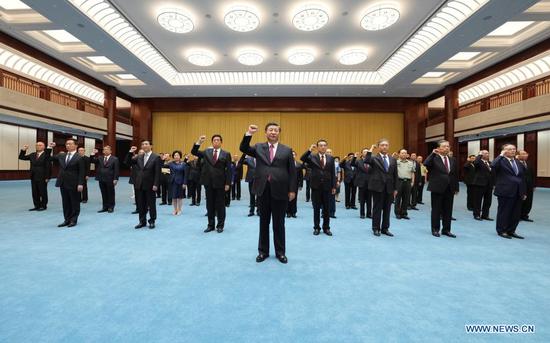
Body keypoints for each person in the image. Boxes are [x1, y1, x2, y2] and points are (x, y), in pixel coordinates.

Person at [240, 123, 297, 264]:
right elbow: (243, 148)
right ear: (266, 132)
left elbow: (292, 172)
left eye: (276, 130)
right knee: (263, 223)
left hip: (281, 190)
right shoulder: (259, 147)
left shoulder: (287, 150)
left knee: (279, 223)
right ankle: (263, 252)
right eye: (270, 130)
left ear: (279, 133)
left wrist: (292, 190)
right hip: (263, 189)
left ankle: (280, 252)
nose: (273, 132)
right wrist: (248, 134)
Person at [192, 134, 231, 233]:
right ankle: (210, 225)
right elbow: (194, 152)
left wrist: (228, 183)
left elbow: (229, 170)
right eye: (214, 140)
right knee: (209, 204)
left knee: (220, 205)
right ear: (212, 142)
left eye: (218, 140)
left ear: (221, 142)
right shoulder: (206, 152)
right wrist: (199, 142)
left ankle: (220, 225)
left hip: (221, 183)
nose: (216, 141)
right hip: (208, 182)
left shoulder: (226, 154)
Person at [424, 140, 459, 238]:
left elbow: (455, 175)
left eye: (448, 146)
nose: (446, 148)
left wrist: (456, 187)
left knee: (448, 210)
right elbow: (426, 164)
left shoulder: (452, 159)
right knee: (436, 209)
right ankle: (435, 229)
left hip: (450, 188)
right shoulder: (434, 158)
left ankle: (446, 230)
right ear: (438, 148)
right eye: (444, 146)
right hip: (437, 187)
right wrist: (432, 154)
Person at [301, 140, 336, 235]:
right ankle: (316, 227)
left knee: (326, 209)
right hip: (316, 186)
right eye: (320, 145)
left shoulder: (331, 158)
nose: (323, 147)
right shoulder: (312, 157)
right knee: (316, 208)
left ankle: (326, 228)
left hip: (327, 187)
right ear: (317, 147)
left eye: (325, 145)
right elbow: (302, 158)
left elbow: (333, 173)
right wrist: (309, 150)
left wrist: (333, 186)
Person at [364, 139, 398, 237]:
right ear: (379, 147)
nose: (384, 147)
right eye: (382, 145)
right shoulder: (374, 158)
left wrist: (396, 188)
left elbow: (395, 174)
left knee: (387, 209)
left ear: (388, 147)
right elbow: (366, 160)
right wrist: (371, 149)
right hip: (377, 187)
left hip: (389, 188)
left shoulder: (393, 159)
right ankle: (376, 228)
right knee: (377, 209)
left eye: (386, 145)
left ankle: (385, 228)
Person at [492, 144, 526, 239]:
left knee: (516, 213)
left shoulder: (518, 162)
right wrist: (501, 155)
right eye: (509, 149)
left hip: (518, 191)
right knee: (504, 212)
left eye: (514, 149)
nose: (512, 151)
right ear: (504, 151)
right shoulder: (501, 161)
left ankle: (511, 230)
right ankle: (501, 230)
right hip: (505, 190)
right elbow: (493, 166)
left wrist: (523, 192)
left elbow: (522, 178)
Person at [49, 140, 85, 228]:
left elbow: (82, 172)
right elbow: (48, 158)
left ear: (76, 146)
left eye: (70, 144)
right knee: (65, 202)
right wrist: (49, 148)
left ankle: (73, 220)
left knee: (74, 202)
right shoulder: (62, 155)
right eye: (66, 144)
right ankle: (66, 219)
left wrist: (80, 183)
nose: (68, 145)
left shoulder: (79, 157)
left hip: (74, 183)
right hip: (63, 182)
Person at [126, 141, 161, 229]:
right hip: (139, 184)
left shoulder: (156, 157)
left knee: (151, 204)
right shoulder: (139, 157)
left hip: (151, 185)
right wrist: (130, 152)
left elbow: (157, 172)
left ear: (151, 146)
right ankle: (142, 221)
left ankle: (152, 220)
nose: (144, 146)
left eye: (146, 144)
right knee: (141, 204)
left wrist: (156, 184)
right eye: (142, 144)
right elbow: (127, 162)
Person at [18, 141, 51, 211]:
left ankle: (43, 206)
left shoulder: (46, 155)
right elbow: (21, 157)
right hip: (33, 176)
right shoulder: (32, 154)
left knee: (43, 192)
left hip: (43, 176)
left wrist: (47, 177)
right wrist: (23, 150)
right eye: (37, 145)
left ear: (44, 147)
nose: (38, 146)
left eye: (40, 145)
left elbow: (48, 167)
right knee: (34, 192)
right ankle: (37, 205)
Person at [90, 145, 120, 213]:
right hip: (101, 178)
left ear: (110, 151)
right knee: (103, 193)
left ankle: (111, 207)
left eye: (107, 149)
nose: (105, 150)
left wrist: (116, 178)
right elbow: (92, 161)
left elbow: (116, 170)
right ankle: (105, 207)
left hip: (110, 178)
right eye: (104, 149)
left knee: (111, 193)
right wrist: (92, 154)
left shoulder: (115, 159)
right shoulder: (100, 158)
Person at [472, 150, 494, 221]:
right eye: (485, 153)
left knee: (488, 201)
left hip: (489, 185)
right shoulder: (478, 162)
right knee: (478, 200)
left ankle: (485, 215)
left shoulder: (490, 163)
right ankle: (477, 214)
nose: (487, 154)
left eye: (488, 153)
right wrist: (479, 155)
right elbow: (475, 162)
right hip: (479, 184)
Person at [394, 148, 415, 220]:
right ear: (399, 154)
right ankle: (397, 213)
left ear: (407, 154)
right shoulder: (395, 162)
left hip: (408, 182)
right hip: (399, 181)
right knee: (398, 198)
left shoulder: (410, 163)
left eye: (405, 153)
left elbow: (412, 173)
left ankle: (404, 213)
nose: (404, 154)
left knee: (406, 198)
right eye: (402, 153)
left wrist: (412, 181)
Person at [352, 149, 372, 219]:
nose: (366, 153)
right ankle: (362, 214)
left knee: (369, 199)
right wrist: (354, 157)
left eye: (367, 152)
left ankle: (369, 214)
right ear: (362, 153)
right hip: (361, 182)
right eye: (364, 152)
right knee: (362, 200)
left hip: (370, 183)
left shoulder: (371, 161)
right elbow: (352, 164)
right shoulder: (358, 161)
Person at [517, 150, 535, 222]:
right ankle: (517, 216)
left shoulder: (528, 163)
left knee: (528, 201)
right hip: (520, 186)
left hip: (529, 186)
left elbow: (532, 175)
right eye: (523, 154)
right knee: (520, 202)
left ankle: (524, 215)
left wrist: (533, 185)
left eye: (526, 154)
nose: (526, 155)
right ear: (518, 155)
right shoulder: (516, 163)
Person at [169, 150, 188, 215]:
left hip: (180, 182)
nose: (176, 156)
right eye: (175, 155)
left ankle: (179, 209)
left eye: (177, 155)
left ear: (180, 156)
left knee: (180, 197)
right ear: (173, 156)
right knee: (174, 197)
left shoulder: (184, 164)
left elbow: (185, 174)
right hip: (172, 182)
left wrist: (185, 183)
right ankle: (175, 210)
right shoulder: (170, 164)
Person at [125, 148, 143, 214]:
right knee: (137, 195)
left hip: (145, 180)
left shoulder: (147, 160)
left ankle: (146, 207)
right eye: (140, 152)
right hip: (136, 180)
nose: (141, 153)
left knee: (145, 195)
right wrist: (130, 152)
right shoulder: (135, 160)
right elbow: (126, 162)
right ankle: (138, 208)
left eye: (142, 152)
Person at [287, 151, 304, 218]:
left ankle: (293, 212)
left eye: (294, 154)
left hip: (295, 184)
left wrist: (301, 185)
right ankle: (288, 212)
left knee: (294, 198)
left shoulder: (299, 165)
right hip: (287, 184)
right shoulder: (286, 164)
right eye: (291, 154)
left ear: (295, 156)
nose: (293, 156)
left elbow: (301, 176)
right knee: (287, 198)